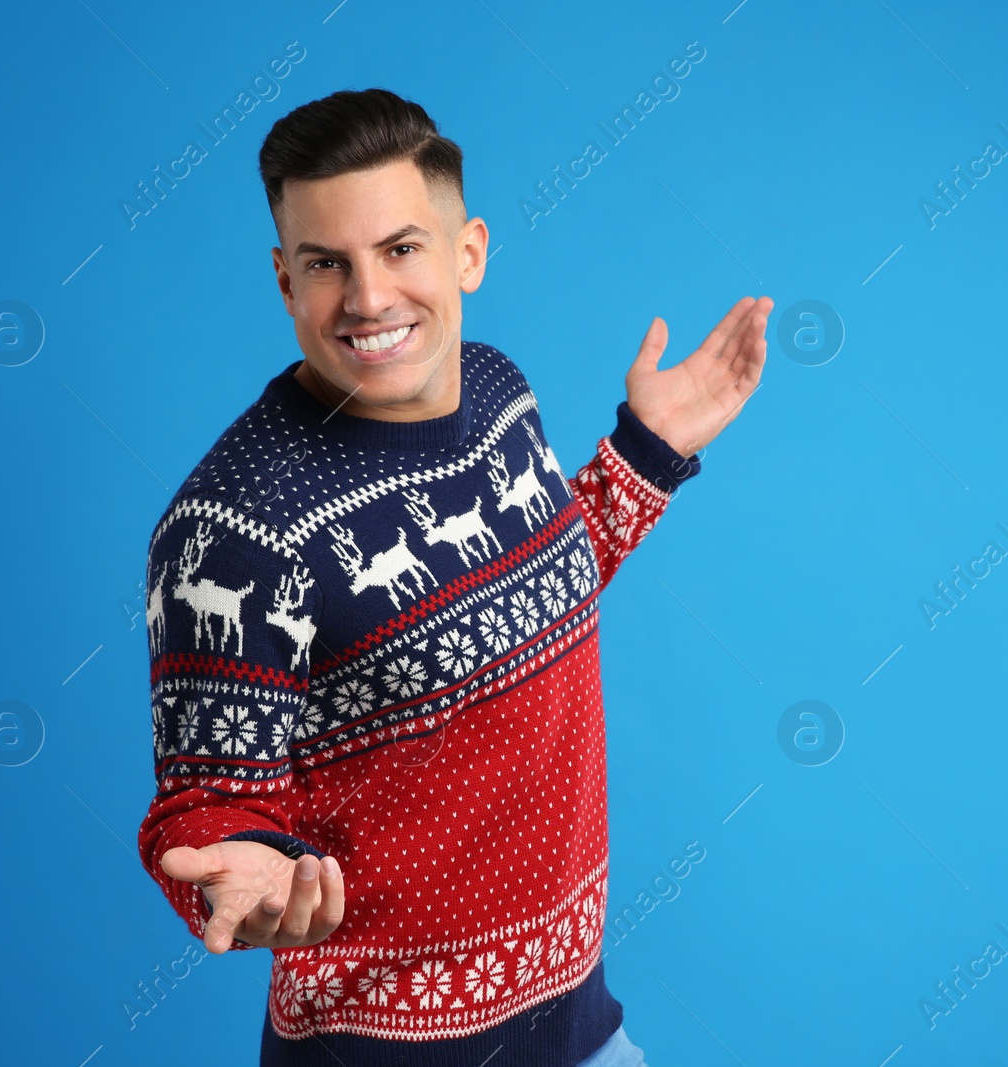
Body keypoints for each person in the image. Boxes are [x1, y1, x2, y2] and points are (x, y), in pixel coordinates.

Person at [135, 86, 771, 1067]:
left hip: (582, 1027)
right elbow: (204, 802)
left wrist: (647, 453)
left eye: (399, 248)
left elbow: (528, 592)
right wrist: (252, 870)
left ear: (467, 250)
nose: (369, 297)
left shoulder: (497, 388)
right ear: (284, 280)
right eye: (325, 264)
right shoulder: (231, 533)